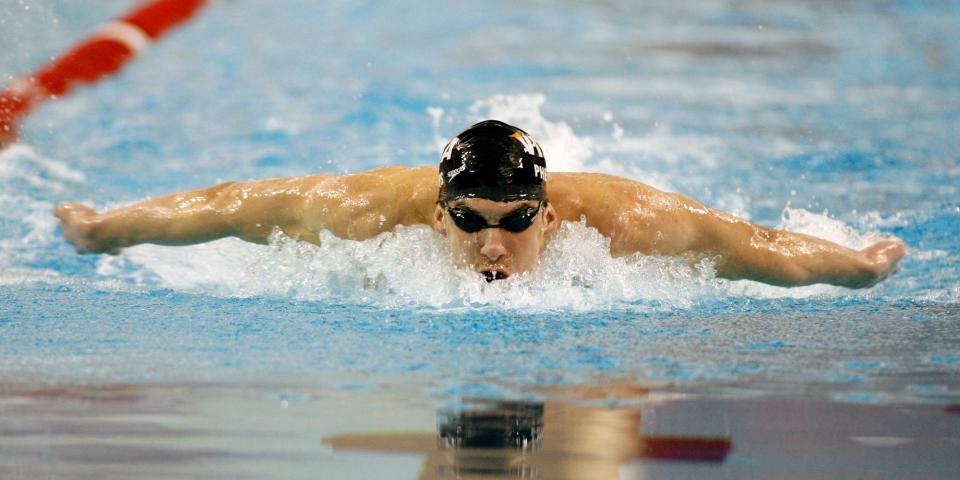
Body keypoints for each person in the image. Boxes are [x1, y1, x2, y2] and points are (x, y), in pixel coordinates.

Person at [54, 120, 905, 288]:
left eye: (514, 222)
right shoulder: (359, 212)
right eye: (467, 221)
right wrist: (106, 230)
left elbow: (755, 244)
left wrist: (859, 268)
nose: (490, 246)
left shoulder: (629, 222)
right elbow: (228, 204)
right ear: (435, 213)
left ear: (551, 217)